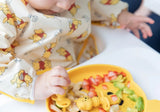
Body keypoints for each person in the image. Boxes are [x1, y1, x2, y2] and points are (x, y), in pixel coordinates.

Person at [0, 0, 154, 103]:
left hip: (81, 60)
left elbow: (90, 4)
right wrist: (35, 84)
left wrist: (120, 15)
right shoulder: (6, 10)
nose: (66, 5)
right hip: (34, 82)